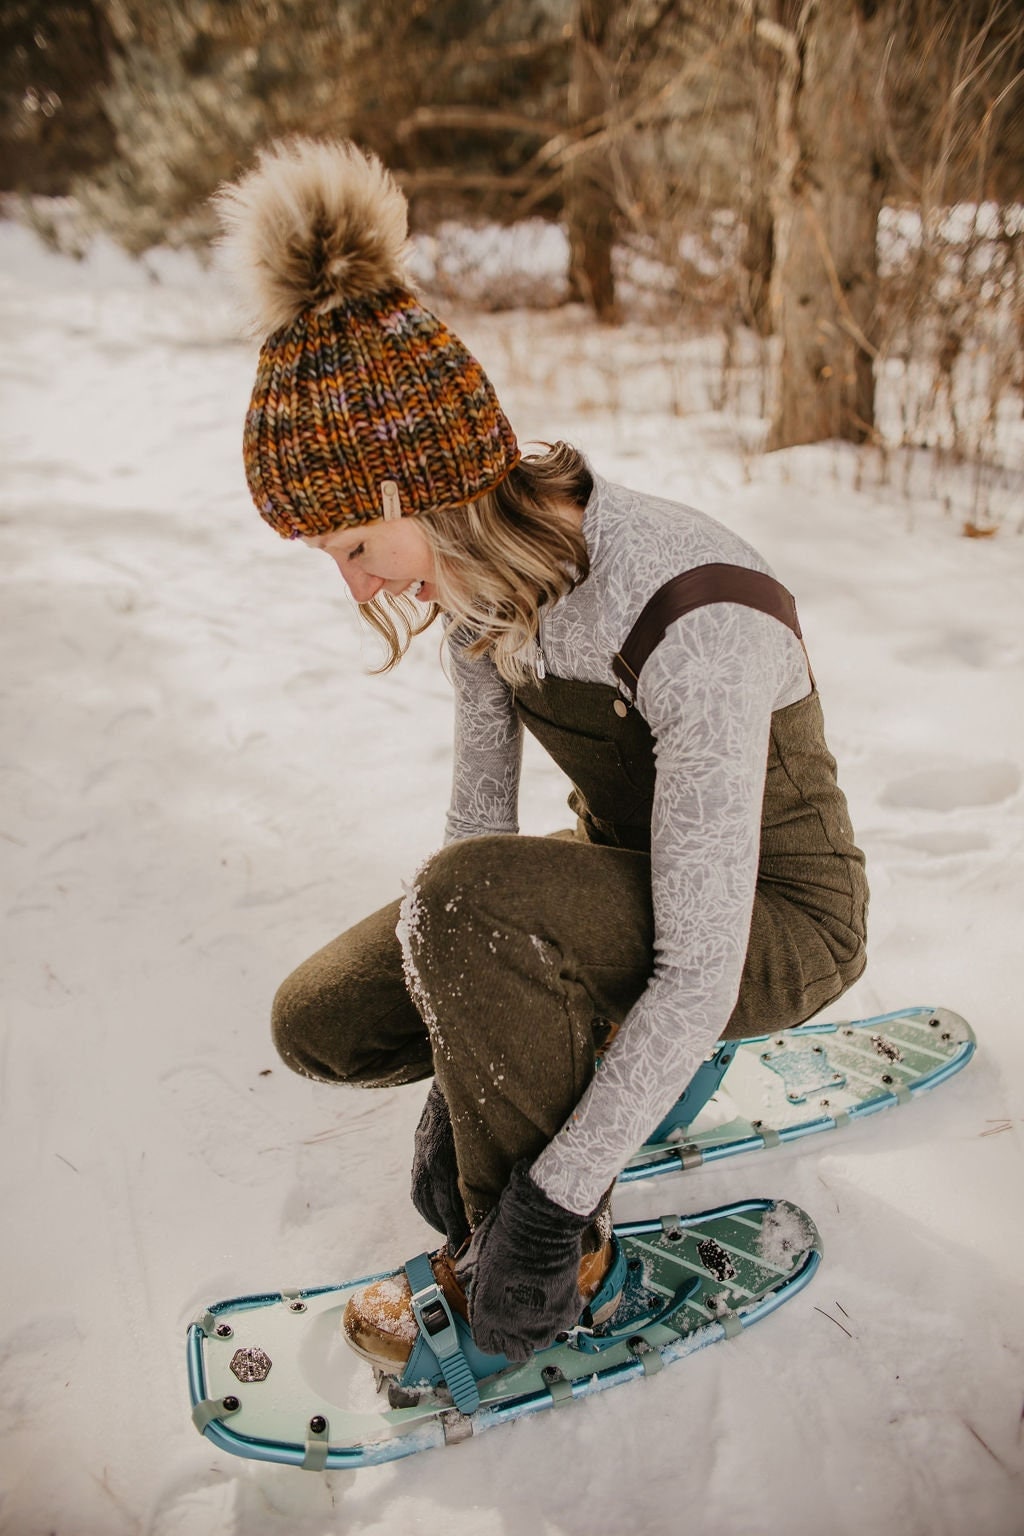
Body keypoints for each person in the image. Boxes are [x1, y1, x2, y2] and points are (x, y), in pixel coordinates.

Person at [216, 138, 868, 1375]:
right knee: (322, 1021)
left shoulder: (695, 613)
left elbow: (693, 963)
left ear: (434, 488)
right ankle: (567, 1074)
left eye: (357, 543)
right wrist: (473, 1061)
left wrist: (545, 1200)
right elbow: (475, 845)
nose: (354, 582)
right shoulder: (482, 591)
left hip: (770, 922)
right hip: (623, 880)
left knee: (474, 923)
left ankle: (580, 1275)